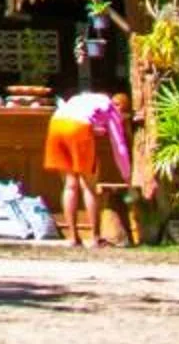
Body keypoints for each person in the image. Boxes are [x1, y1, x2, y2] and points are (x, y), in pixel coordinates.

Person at [48, 89, 130, 245]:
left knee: (69, 185)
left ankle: (73, 238)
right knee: (88, 186)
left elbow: (81, 117)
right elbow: (118, 145)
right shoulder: (111, 109)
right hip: (79, 128)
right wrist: (127, 175)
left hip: (56, 124)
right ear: (121, 108)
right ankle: (95, 237)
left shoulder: (83, 98)